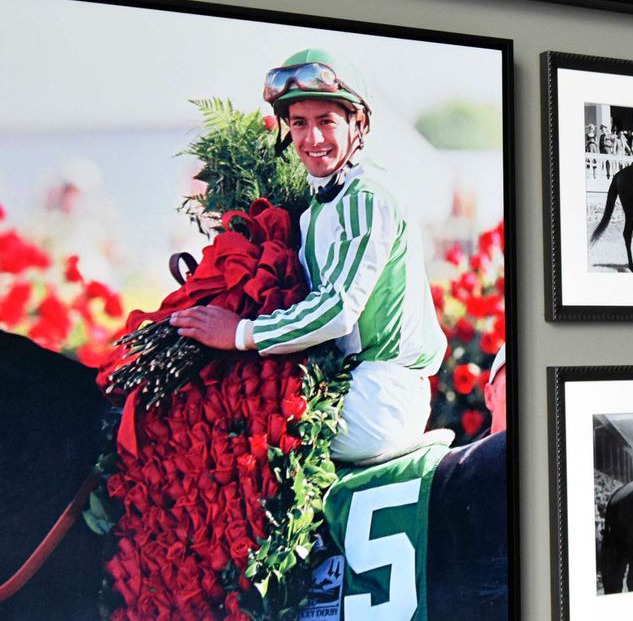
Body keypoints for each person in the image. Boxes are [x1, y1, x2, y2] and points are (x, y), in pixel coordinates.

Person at [168, 48, 448, 466]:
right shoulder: (321, 204)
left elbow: (337, 310)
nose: (312, 139)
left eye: (326, 122)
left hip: (379, 396)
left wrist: (240, 333)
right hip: (355, 383)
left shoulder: (365, 196)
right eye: (299, 123)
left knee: (233, 436)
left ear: (359, 125)